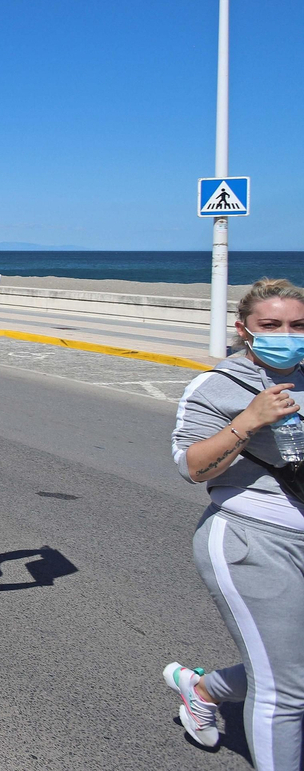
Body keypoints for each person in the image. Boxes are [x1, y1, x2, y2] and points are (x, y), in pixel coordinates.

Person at [164, 279, 304, 755]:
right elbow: (191, 468)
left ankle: (204, 690)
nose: (287, 334)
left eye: (298, 325)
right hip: (252, 538)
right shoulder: (218, 385)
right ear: (245, 329)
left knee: (289, 667)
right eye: (272, 325)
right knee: (285, 692)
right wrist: (248, 421)